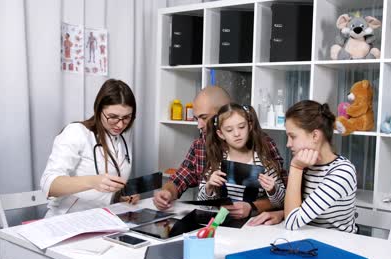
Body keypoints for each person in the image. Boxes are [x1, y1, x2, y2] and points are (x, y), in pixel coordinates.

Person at [153, 86, 286, 218]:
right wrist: (167, 192)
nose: (199, 125)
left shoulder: (263, 145)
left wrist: (253, 207)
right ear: (220, 133)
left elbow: (284, 194)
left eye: (204, 117)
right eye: (196, 118)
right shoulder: (201, 145)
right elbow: (181, 179)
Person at [249, 100, 357, 233]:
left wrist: (296, 168)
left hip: (338, 246)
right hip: (308, 239)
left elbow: (292, 221)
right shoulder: (307, 164)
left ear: (315, 135)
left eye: (292, 136)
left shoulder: (342, 172)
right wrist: (275, 196)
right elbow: (291, 206)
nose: (288, 144)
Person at [40, 79, 138, 217]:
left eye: (126, 118)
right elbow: (49, 184)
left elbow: (103, 194)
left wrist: (120, 198)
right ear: (98, 110)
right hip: (67, 220)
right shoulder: (76, 132)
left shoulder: (121, 140)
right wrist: (93, 181)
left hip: (102, 220)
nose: (120, 125)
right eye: (113, 117)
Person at [197, 103, 285, 218]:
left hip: (254, 227)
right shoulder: (216, 165)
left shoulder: (265, 164)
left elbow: (281, 203)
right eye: (229, 130)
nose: (237, 134)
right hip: (223, 226)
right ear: (220, 134)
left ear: (250, 126)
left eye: (242, 127)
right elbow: (202, 205)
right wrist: (209, 186)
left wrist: (273, 189)